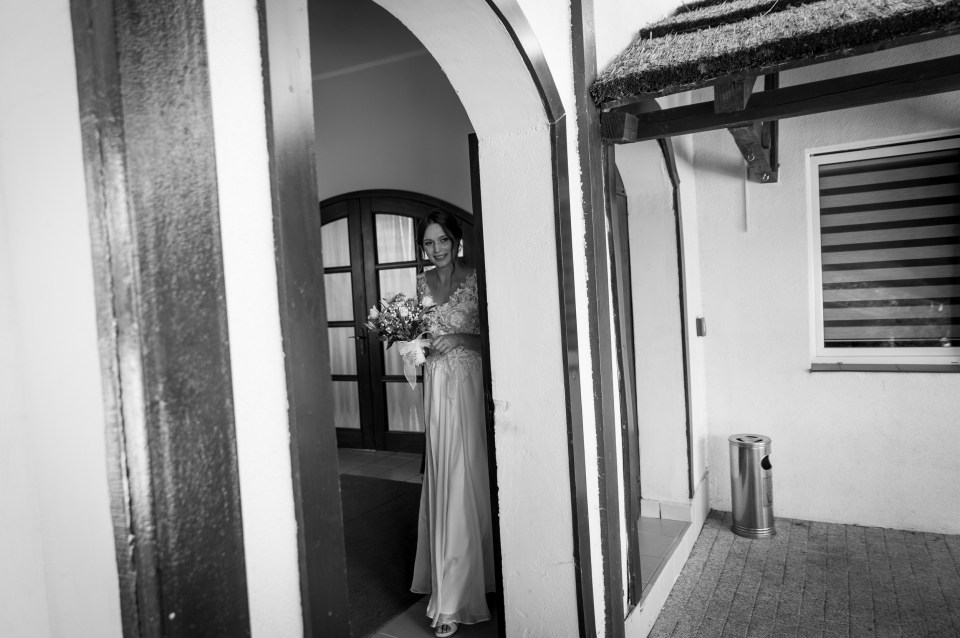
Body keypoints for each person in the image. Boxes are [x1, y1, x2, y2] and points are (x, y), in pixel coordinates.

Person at [410, 211, 494, 638]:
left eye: (443, 240)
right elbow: (419, 340)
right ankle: (447, 581)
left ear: (457, 240)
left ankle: (462, 592)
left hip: (469, 386)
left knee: (468, 476)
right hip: (436, 386)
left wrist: (460, 339)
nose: (437, 249)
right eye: (429, 243)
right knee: (444, 476)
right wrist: (414, 347)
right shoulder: (420, 284)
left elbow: (495, 337)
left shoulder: (478, 278)